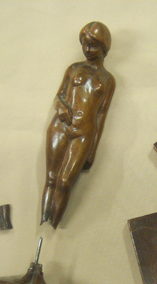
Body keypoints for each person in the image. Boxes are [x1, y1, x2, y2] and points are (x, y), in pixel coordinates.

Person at [41, 22, 115, 228]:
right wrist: (61, 108)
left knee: (65, 182)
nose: (88, 50)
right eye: (84, 44)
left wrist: (93, 150)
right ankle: (43, 223)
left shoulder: (108, 80)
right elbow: (59, 96)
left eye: (93, 45)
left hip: (84, 133)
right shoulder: (74, 69)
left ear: (104, 47)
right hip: (61, 126)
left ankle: (54, 224)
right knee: (51, 178)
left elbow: (101, 116)